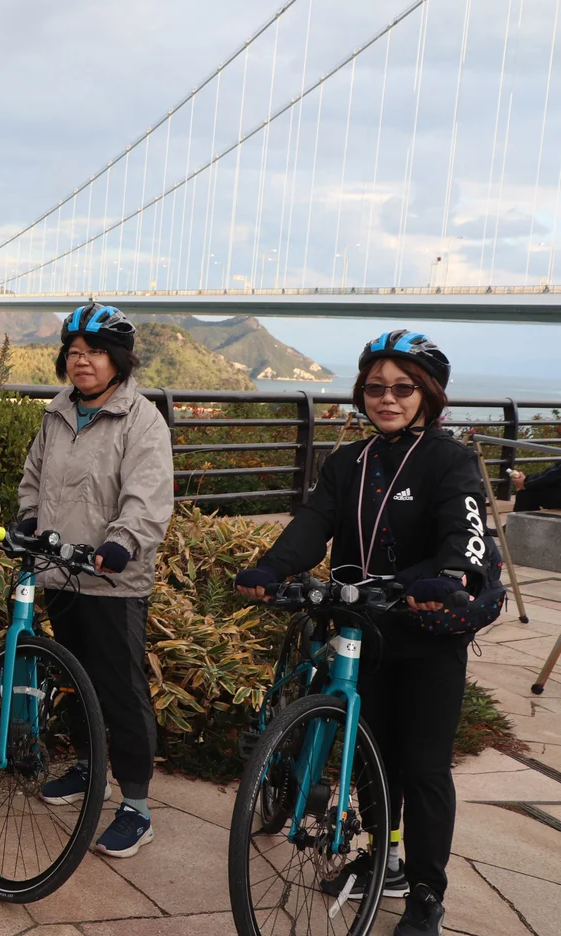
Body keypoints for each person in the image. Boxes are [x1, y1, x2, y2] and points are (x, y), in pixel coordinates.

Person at [234, 329, 488, 936]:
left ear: (429, 395)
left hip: (426, 636)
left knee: (423, 767)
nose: (388, 398)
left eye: (404, 387)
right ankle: (381, 855)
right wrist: (273, 567)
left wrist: (444, 577)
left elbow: (466, 537)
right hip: (360, 631)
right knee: (372, 761)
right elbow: (314, 522)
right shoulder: (351, 461)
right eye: (375, 387)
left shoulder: (449, 460)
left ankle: (426, 891)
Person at [17, 303, 174, 858]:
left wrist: (122, 544)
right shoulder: (58, 411)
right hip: (60, 573)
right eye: (74, 352)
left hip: (112, 580)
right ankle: (90, 768)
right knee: (74, 679)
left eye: (96, 353)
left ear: (119, 362)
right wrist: (29, 519)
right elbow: (33, 477)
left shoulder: (141, 420)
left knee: (121, 691)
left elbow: (148, 498)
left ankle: (137, 805)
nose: (82, 362)